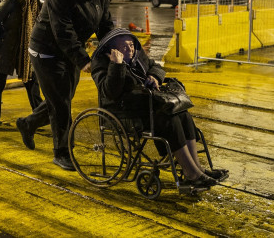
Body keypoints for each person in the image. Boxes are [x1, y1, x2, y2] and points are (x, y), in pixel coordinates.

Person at [15, 0, 118, 170]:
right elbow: (63, 31)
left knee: (62, 98)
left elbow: (105, 25)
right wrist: (83, 60)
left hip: (69, 52)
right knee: (61, 104)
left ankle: (28, 123)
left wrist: (115, 45)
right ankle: (61, 152)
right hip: (47, 51)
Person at [91, 28, 228, 188]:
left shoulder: (137, 56)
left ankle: (197, 168)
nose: (130, 49)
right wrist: (116, 65)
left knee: (182, 113)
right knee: (167, 120)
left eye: (131, 45)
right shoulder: (101, 64)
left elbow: (156, 67)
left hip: (146, 106)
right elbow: (110, 92)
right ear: (112, 49)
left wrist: (154, 76)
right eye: (124, 47)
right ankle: (192, 174)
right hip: (124, 112)